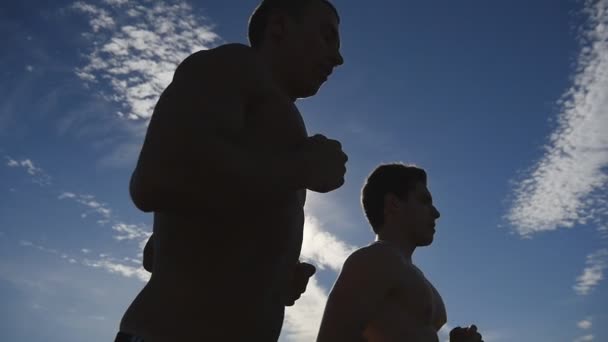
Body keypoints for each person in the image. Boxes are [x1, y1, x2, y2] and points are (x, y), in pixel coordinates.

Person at [116, 0, 346, 341]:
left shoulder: (276, 117)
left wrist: (274, 273)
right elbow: (156, 177)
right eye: (327, 37)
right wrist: (300, 167)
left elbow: (194, 231)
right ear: (279, 27)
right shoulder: (232, 66)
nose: (337, 57)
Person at [316, 163, 483, 342]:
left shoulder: (408, 271)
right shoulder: (375, 259)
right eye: (424, 201)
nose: (436, 213)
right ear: (393, 204)